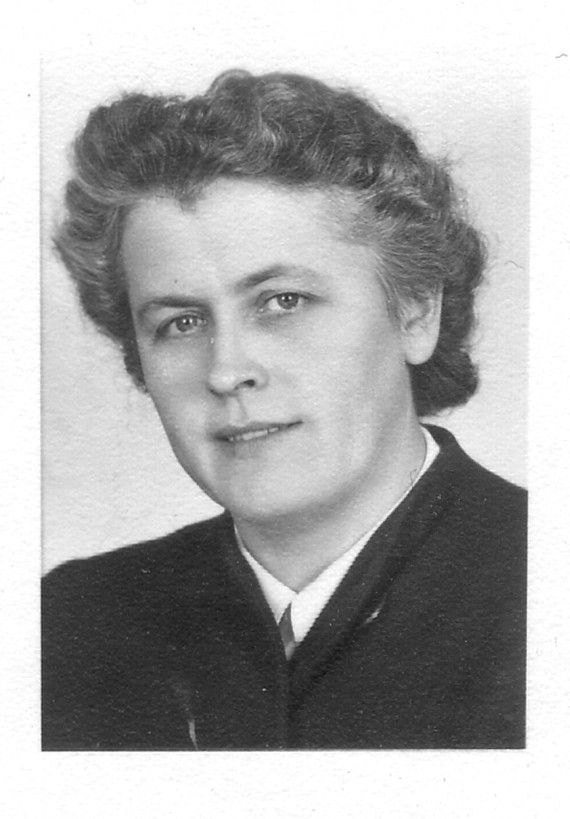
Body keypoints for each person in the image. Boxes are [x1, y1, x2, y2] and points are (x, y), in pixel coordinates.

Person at [42, 69, 526, 751]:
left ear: (416, 311)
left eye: (283, 302)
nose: (226, 370)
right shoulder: (71, 623)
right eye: (181, 322)